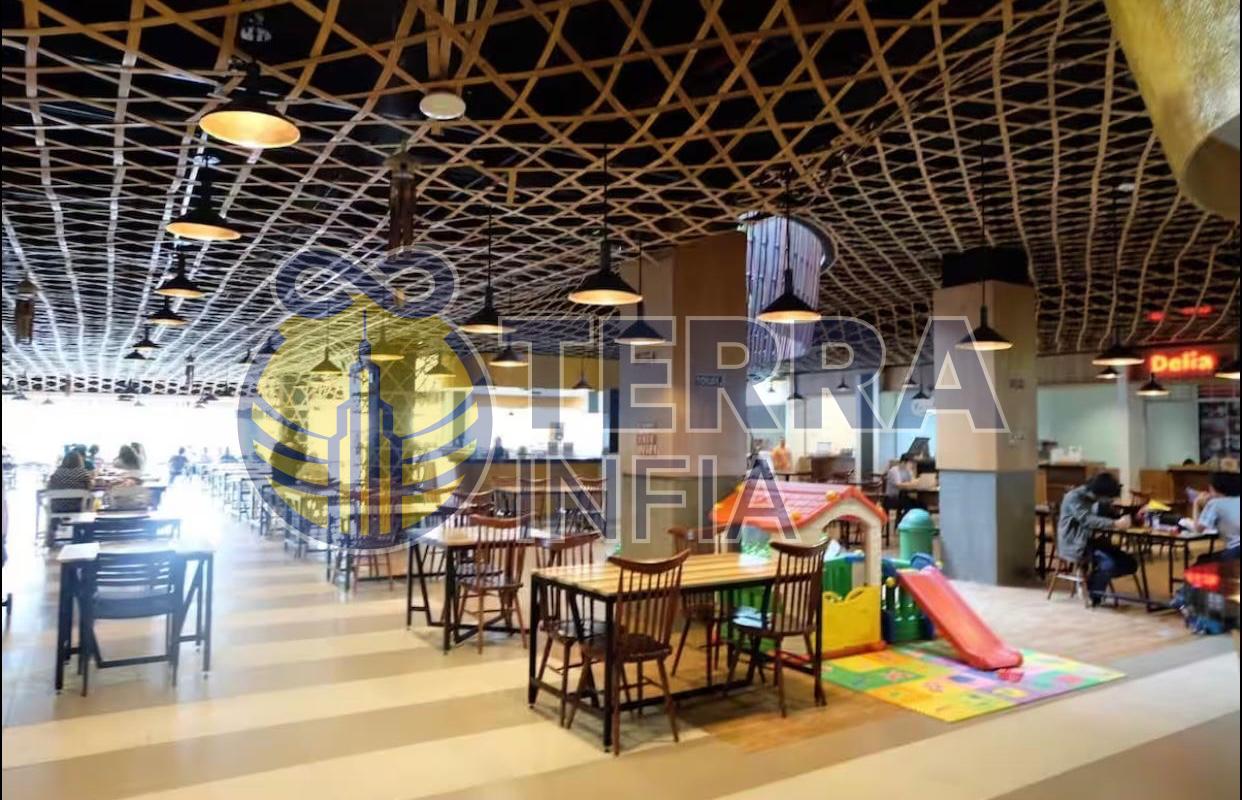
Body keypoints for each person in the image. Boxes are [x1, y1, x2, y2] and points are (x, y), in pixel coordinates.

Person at [1056, 472, 1135, 605]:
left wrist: (1127, 517)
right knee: (1109, 564)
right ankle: (1094, 593)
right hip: (1076, 543)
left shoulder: (1096, 500)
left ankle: (1092, 580)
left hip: (1093, 541)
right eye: (1108, 498)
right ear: (1100, 493)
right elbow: (1087, 520)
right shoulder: (1074, 497)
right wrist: (1115, 523)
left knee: (1130, 563)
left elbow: (1107, 517)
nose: (1110, 501)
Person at [1192, 472, 1240, 562]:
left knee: (1202, 560)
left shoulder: (1215, 503)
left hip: (1235, 551)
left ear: (1214, 488)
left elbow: (1198, 529)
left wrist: (1196, 504)